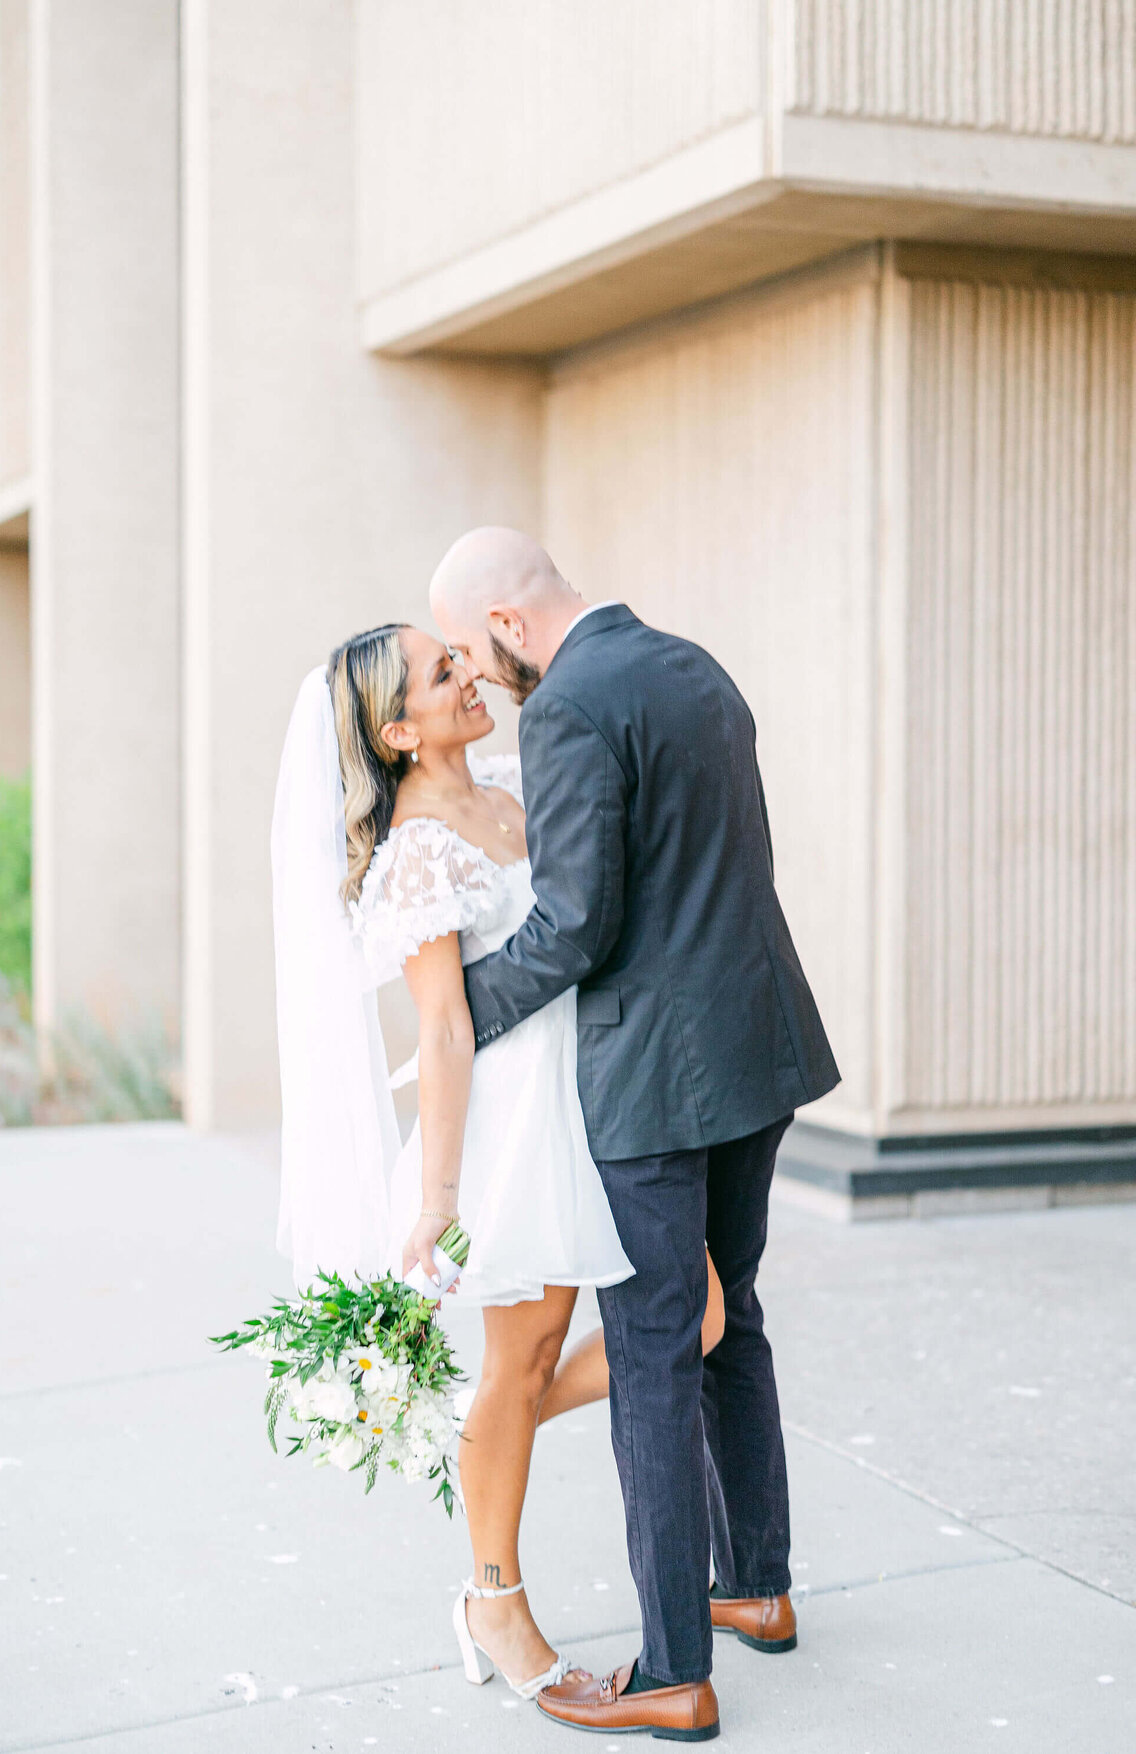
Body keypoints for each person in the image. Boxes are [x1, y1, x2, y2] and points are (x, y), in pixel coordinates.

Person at [428, 527, 841, 1743]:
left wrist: (455, 1017)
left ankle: (672, 1666)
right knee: (735, 1317)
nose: (480, 678)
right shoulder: (692, 663)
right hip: (758, 1045)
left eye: (468, 650)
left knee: (653, 1351)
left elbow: (574, 924)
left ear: (506, 623)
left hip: (658, 1079)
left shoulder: (568, 710)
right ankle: (754, 1584)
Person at [271, 624, 725, 1705]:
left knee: (695, 1314)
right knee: (525, 1365)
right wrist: (437, 1201)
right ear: (397, 730)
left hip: (597, 1094)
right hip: (512, 1126)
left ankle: (489, 1426)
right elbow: (439, 1030)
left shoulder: (516, 784)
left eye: (456, 654)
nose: (466, 672)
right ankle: (494, 1597)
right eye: (441, 673)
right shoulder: (419, 847)